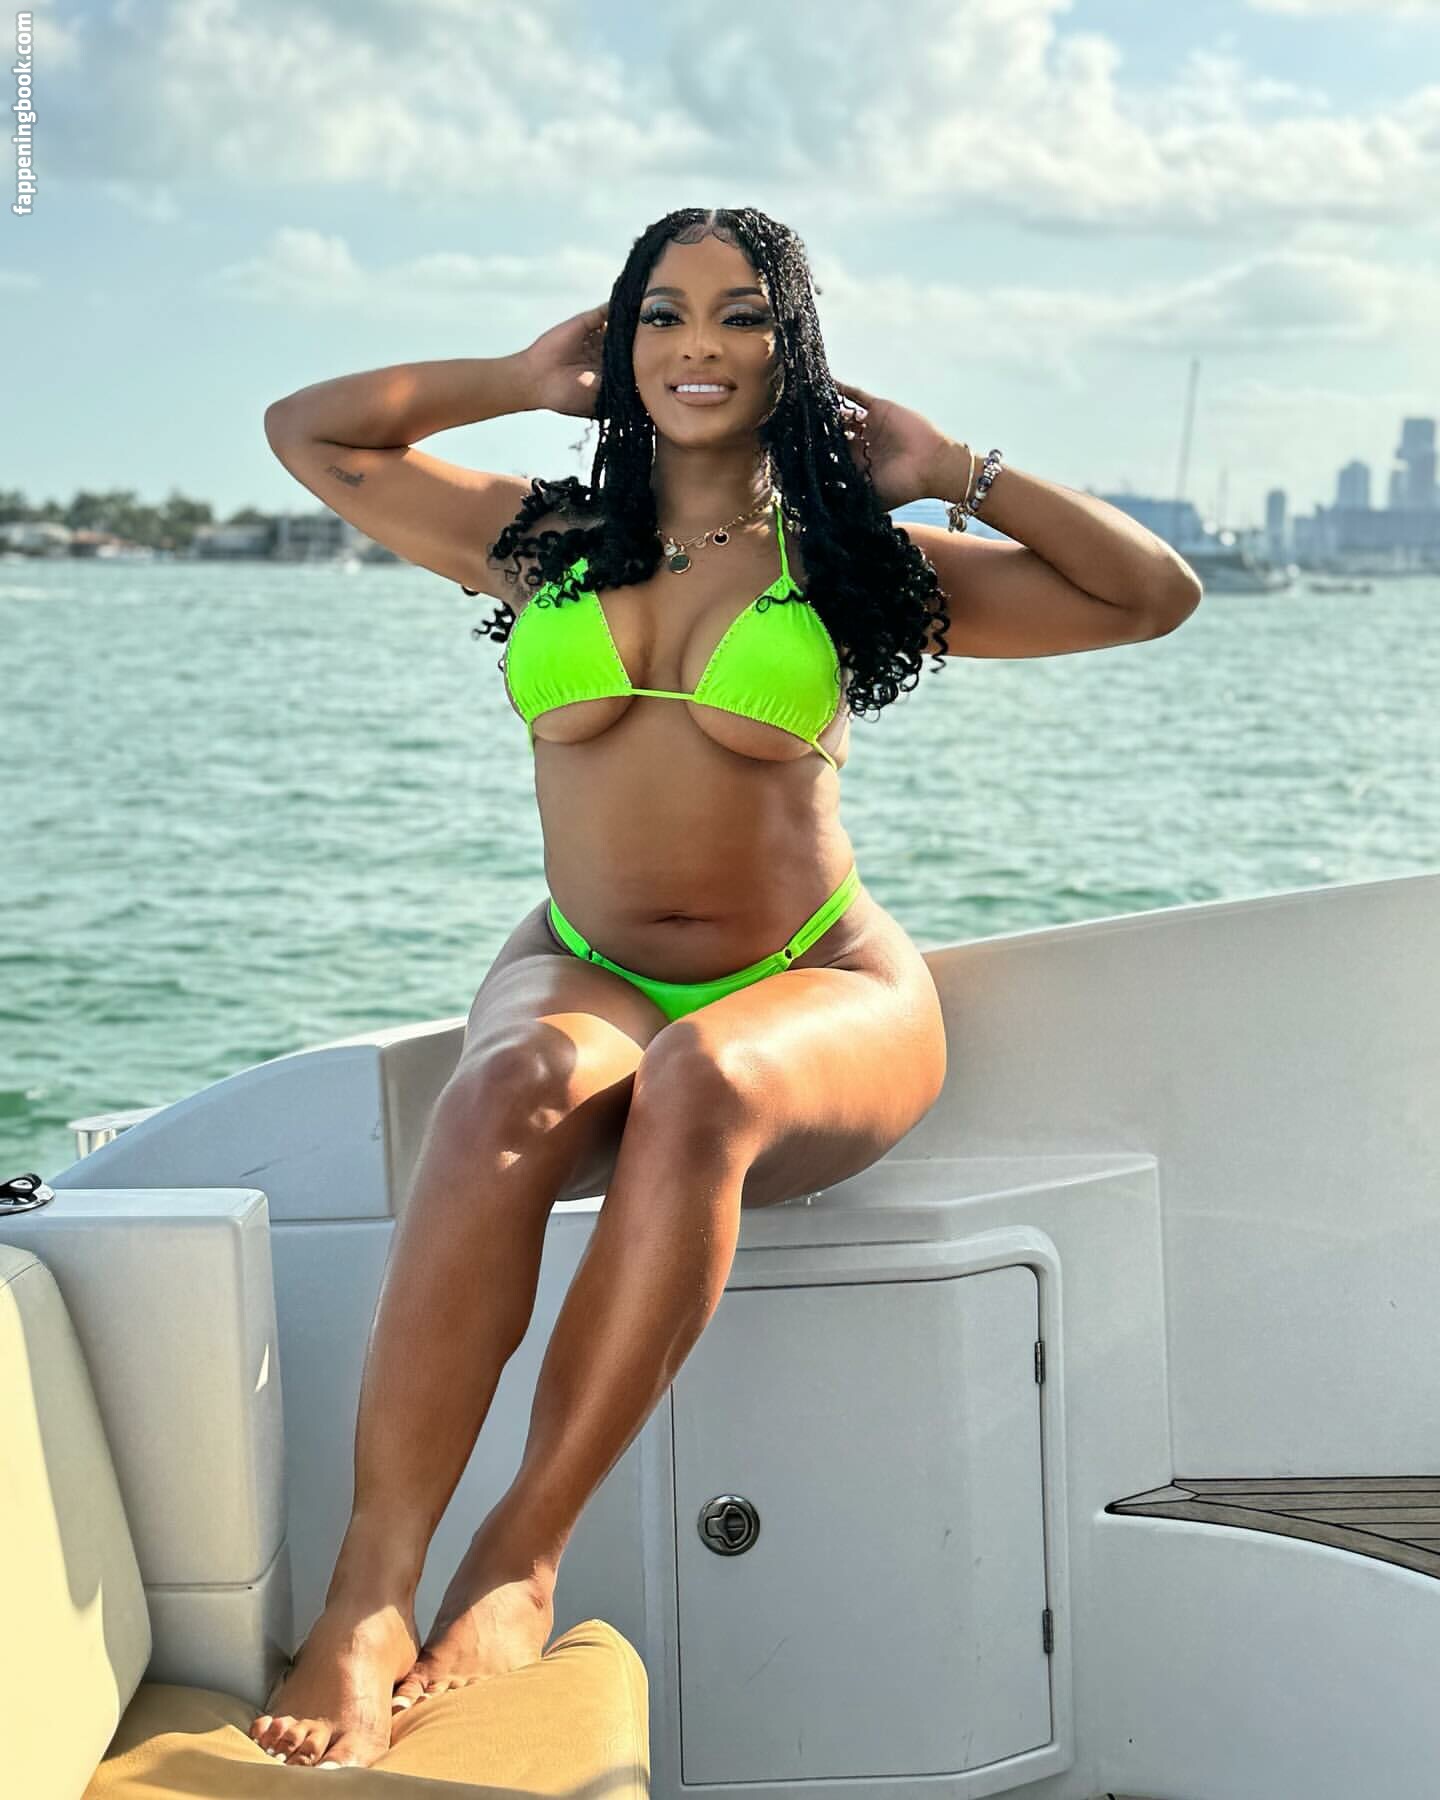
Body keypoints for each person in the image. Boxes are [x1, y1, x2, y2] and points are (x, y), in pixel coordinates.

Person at [252, 205, 1202, 1769]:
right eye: (665, 313)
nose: (701, 345)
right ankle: (368, 1588)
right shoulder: (545, 542)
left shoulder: (857, 563)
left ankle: (521, 1555)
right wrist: (514, 378)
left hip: (816, 978)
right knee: (506, 1088)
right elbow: (313, 434)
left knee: (706, 1082)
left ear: (791, 349)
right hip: (587, 967)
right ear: (620, 342)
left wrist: (953, 467)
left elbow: (1148, 594)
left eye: (742, 314)